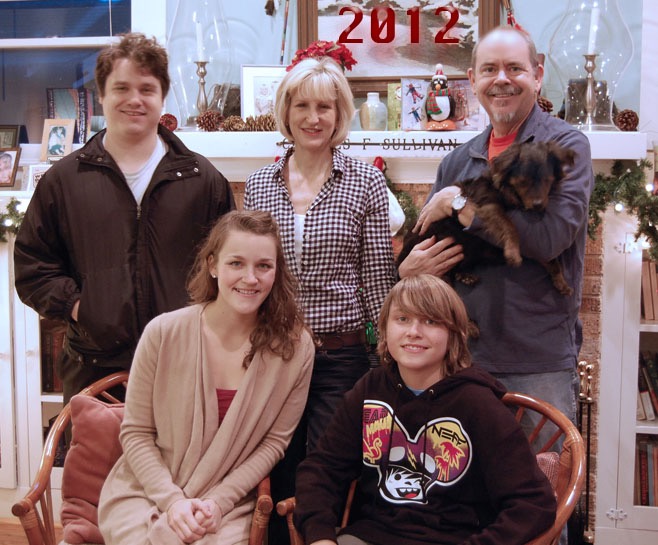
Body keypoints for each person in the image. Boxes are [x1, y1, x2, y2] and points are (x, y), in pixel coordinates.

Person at [14, 32, 235, 406]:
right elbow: (33, 268)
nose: (135, 100)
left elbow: (228, 265)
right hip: (93, 367)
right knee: (97, 467)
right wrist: (84, 308)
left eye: (147, 89)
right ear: (101, 95)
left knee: (181, 467)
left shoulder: (203, 180)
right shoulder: (64, 181)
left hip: (186, 365)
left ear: (162, 96)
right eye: (121, 88)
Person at [398, 26, 594, 430]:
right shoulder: (458, 161)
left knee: (541, 487)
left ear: (537, 75)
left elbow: (548, 238)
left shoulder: (565, 147)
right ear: (473, 81)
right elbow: (426, 242)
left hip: (536, 364)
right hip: (459, 359)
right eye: (489, 69)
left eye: (514, 69)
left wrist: (458, 203)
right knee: (462, 490)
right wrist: (407, 272)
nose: (501, 79)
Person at [244, 55, 396, 544]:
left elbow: (376, 278)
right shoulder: (259, 185)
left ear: (340, 114)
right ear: (286, 113)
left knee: (331, 470)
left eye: (325, 107)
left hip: (339, 356)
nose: (314, 117)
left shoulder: (365, 182)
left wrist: (389, 356)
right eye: (303, 105)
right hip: (275, 353)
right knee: (275, 462)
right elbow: (250, 277)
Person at [98, 210, 315, 545]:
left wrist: (219, 501)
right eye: (236, 263)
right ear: (213, 265)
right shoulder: (163, 332)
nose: (250, 278)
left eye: (263, 266)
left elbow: (274, 444)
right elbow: (137, 433)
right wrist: (172, 502)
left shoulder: (295, 348)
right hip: (147, 492)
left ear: (276, 272)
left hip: (227, 506)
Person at [293, 274, 557, 545]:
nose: (413, 332)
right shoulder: (371, 389)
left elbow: (533, 503)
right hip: (370, 536)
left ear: (454, 333)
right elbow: (323, 467)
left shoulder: (478, 404)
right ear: (384, 327)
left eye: (430, 321)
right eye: (402, 319)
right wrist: (320, 536)